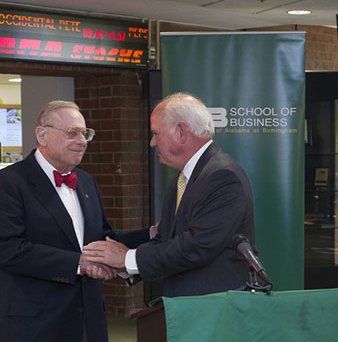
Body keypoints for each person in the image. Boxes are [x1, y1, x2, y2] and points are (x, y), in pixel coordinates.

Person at [0, 100, 116, 342]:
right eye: (72, 132)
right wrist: (77, 264)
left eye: (85, 133)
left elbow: (102, 239)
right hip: (36, 338)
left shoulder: (86, 182)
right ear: (42, 134)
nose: (82, 140)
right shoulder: (9, 182)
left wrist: (148, 240)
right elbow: (8, 250)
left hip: (87, 338)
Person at [83, 92, 256, 297]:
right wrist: (122, 263)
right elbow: (166, 240)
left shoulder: (222, 176)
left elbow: (198, 246)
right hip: (190, 306)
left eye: (156, 133)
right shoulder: (181, 179)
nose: (152, 143)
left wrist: (128, 258)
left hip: (215, 308)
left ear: (181, 132)